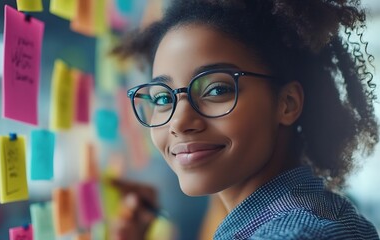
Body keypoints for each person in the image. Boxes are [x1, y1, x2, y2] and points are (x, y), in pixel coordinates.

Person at [111, 0, 380, 239]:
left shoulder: (294, 233)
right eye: (162, 99)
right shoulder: (325, 211)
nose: (179, 122)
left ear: (287, 103)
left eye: (217, 90)